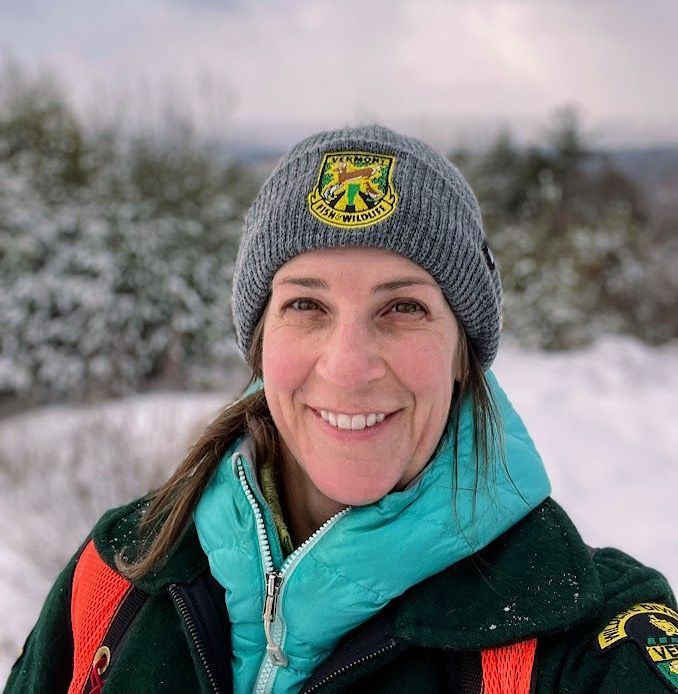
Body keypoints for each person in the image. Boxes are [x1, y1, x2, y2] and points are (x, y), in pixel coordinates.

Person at [5, 125, 677, 694]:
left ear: (461, 354)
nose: (349, 366)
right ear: (262, 340)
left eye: (403, 307)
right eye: (306, 305)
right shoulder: (120, 573)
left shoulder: (591, 640)